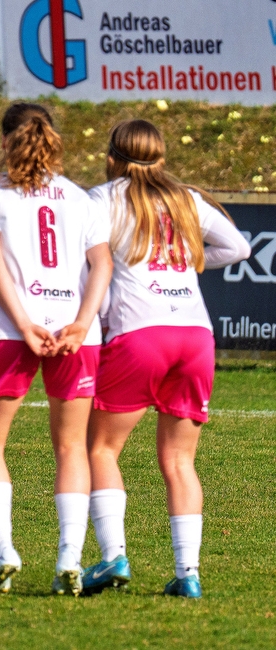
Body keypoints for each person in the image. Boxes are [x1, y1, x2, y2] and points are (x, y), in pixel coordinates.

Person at [82, 120, 250, 599]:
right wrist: (187, 261)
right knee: (179, 460)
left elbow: (89, 262)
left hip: (139, 332)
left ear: (113, 155)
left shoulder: (102, 199)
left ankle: (114, 556)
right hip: (195, 335)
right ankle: (188, 573)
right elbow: (238, 248)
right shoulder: (186, 198)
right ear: (161, 156)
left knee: (102, 449)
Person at [0, 103, 113, 596]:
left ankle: (3, 550)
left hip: (11, 333)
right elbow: (102, 268)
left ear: (6, 141)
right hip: (77, 336)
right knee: (71, 446)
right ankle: (69, 559)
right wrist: (80, 323)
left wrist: (26, 324)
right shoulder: (81, 198)